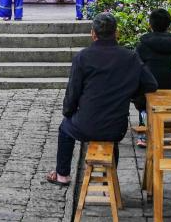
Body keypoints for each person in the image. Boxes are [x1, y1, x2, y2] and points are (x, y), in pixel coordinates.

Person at [45, 13, 158, 186]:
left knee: (65, 128)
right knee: (111, 140)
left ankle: (62, 174)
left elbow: (73, 93)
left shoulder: (83, 57)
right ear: (116, 33)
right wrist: (130, 93)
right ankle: (109, 183)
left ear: (93, 34)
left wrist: (68, 112)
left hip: (86, 125)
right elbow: (151, 84)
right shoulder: (130, 57)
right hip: (116, 127)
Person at [133, 8, 171, 148]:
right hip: (169, 85)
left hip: (147, 88)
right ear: (168, 25)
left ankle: (143, 133)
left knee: (141, 97)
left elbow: (137, 66)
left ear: (150, 24)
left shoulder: (143, 44)